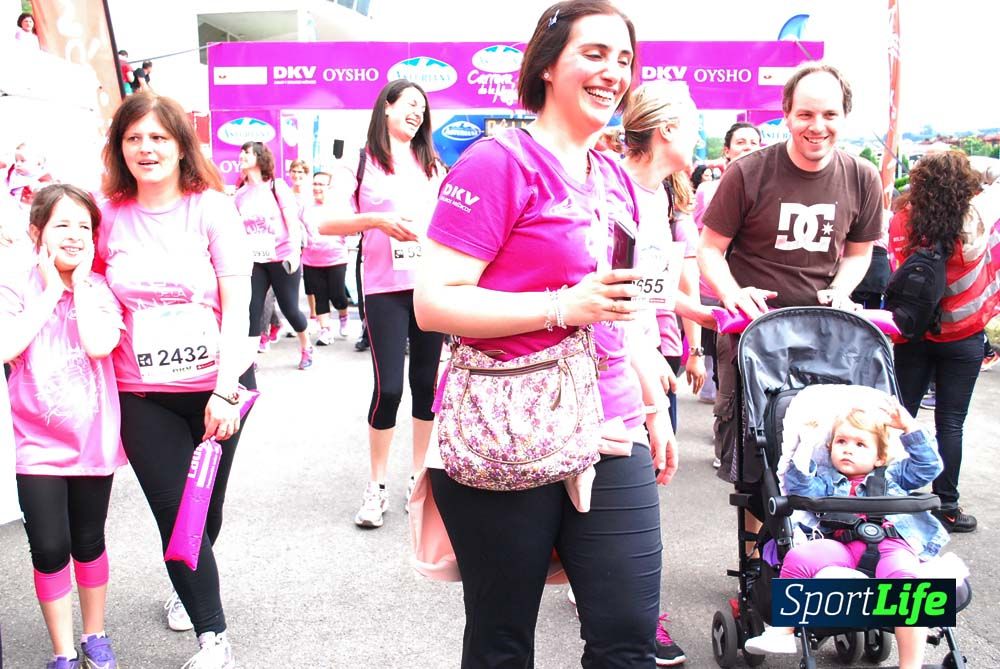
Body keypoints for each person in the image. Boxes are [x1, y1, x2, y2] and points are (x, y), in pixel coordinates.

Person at [414, 2, 677, 665]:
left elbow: (620, 303)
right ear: (548, 65)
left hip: (611, 425)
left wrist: (652, 400)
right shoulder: (496, 163)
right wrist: (559, 307)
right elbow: (432, 303)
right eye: (594, 54)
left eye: (623, 59)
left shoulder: (616, 175)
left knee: (627, 638)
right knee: (502, 640)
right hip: (510, 430)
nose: (613, 71)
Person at [98, 93, 253, 669]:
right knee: (176, 512)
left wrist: (227, 387)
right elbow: (87, 286)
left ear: (181, 146)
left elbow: (239, 301)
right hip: (143, 393)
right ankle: (214, 640)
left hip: (220, 385)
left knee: (204, 511)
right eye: (134, 138)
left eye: (159, 138)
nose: (147, 149)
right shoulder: (107, 212)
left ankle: (188, 582)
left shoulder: (211, 207)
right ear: (120, 147)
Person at [699, 62, 883, 522]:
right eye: (805, 114)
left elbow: (858, 254)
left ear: (844, 116)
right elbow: (709, 249)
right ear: (786, 113)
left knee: (825, 449)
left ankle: (816, 552)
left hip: (824, 342)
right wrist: (732, 293)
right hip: (752, 339)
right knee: (756, 461)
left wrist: (842, 289)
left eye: (829, 115)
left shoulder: (863, 176)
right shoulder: (747, 172)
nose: (816, 127)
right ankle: (763, 569)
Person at [1, 184, 125, 669]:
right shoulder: (16, 286)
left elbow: (97, 346)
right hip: (35, 445)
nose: (74, 235)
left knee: (89, 541)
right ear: (38, 232)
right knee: (50, 546)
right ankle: (63, 651)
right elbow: (7, 346)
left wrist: (84, 285)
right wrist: (52, 289)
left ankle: (95, 635)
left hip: (92, 442)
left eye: (84, 226)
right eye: (62, 224)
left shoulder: (102, 290)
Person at [314, 78, 445, 528]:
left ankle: (419, 478)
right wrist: (376, 221)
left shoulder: (431, 163)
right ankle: (376, 486)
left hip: (430, 287)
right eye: (410, 104)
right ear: (386, 106)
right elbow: (326, 222)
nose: (417, 112)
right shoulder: (361, 158)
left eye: (423, 108)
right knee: (390, 388)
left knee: (426, 386)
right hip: (383, 287)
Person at [743, 399, 946, 669]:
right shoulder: (826, 480)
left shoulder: (894, 476)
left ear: (879, 457)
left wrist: (909, 427)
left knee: (909, 588)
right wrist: (805, 445)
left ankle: (910, 664)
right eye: (841, 442)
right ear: (830, 448)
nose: (848, 450)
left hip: (891, 544)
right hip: (842, 545)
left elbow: (928, 468)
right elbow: (797, 485)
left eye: (860, 444)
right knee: (801, 555)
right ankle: (783, 630)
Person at [618, 78, 711, 666]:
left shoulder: (664, 199)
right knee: (626, 497)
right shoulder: (607, 189)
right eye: (694, 124)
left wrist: (703, 318)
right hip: (608, 368)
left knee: (644, 491)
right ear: (667, 131)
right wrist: (647, 370)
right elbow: (608, 295)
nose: (700, 136)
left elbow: (655, 291)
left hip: (652, 360)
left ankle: (628, 605)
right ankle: (633, 612)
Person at [888, 151, 1000, 533]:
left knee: (899, 415)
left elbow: (895, 272)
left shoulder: (902, 220)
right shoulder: (978, 222)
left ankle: (882, 496)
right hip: (964, 335)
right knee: (951, 423)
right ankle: (947, 506)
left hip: (913, 334)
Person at [692, 122, 761, 411]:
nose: (748, 147)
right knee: (723, 358)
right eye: (741, 142)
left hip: (752, 286)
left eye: (753, 143)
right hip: (713, 283)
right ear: (727, 149)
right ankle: (725, 430)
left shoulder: (764, 187)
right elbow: (701, 239)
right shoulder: (708, 190)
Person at [234, 141, 313, 370]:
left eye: (246, 153)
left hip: (283, 257)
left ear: (259, 157)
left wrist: (295, 254)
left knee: (290, 308)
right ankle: (249, 359)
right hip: (255, 261)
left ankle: (306, 346)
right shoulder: (240, 195)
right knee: (252, 308)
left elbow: (291, 222)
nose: (241, 156)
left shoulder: (276, 187)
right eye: (241, 153)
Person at [302, 170, 350, 344]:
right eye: (315, 184)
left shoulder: (340, 206)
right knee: (320, 296)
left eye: (321, 184)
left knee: (338, 296)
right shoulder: (305, 207)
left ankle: (343, 316)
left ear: (330, 187)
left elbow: (350, 227)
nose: (317, 187)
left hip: (336, 258)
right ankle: (325, 330)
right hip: (311, 260)